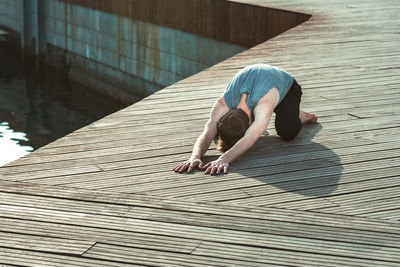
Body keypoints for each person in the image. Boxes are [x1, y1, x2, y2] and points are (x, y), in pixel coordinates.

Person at [173, 64, 318, 175]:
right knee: (225, 129)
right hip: (265, 85)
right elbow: (209, 128)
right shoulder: (226, 101)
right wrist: (195, 156)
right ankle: (289, 112)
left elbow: (251, 137)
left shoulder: (263, 103)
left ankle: (297, 115)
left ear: (250, 124)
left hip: (288, 87)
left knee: (287, 132)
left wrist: (225, 159)